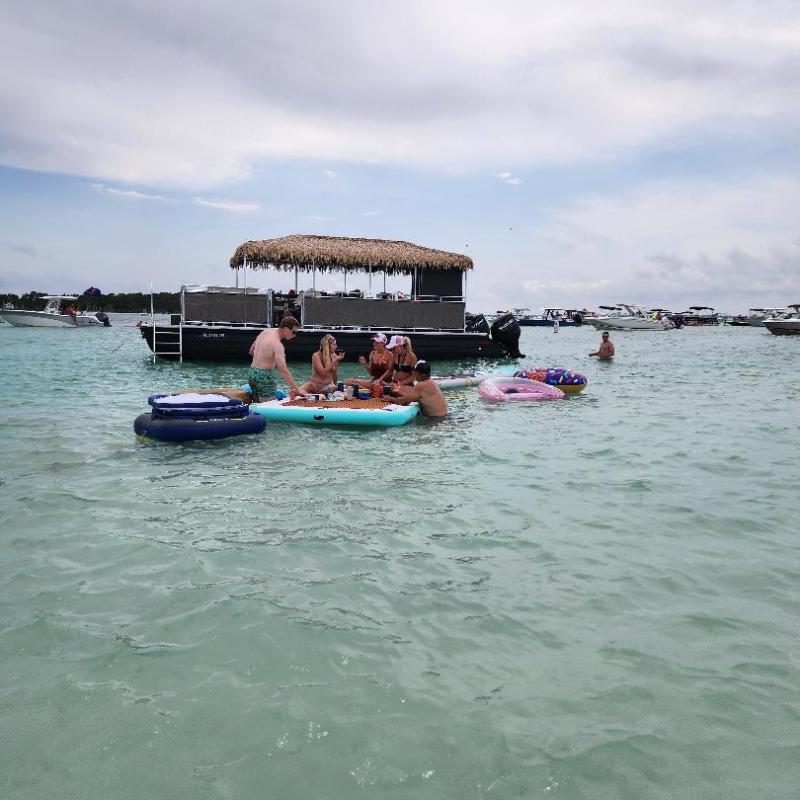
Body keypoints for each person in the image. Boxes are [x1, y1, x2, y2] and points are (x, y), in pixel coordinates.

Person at [248, 316, 307, 401]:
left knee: (257, 403)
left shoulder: (266, 332)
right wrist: (298, 389)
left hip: (252, 372)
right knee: (268, 407)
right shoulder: (277, 345)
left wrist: (264, 361)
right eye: (293, 332)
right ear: (286, 329)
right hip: (265, 377)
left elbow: (251, 351)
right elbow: (283, 370)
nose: (294, 335)